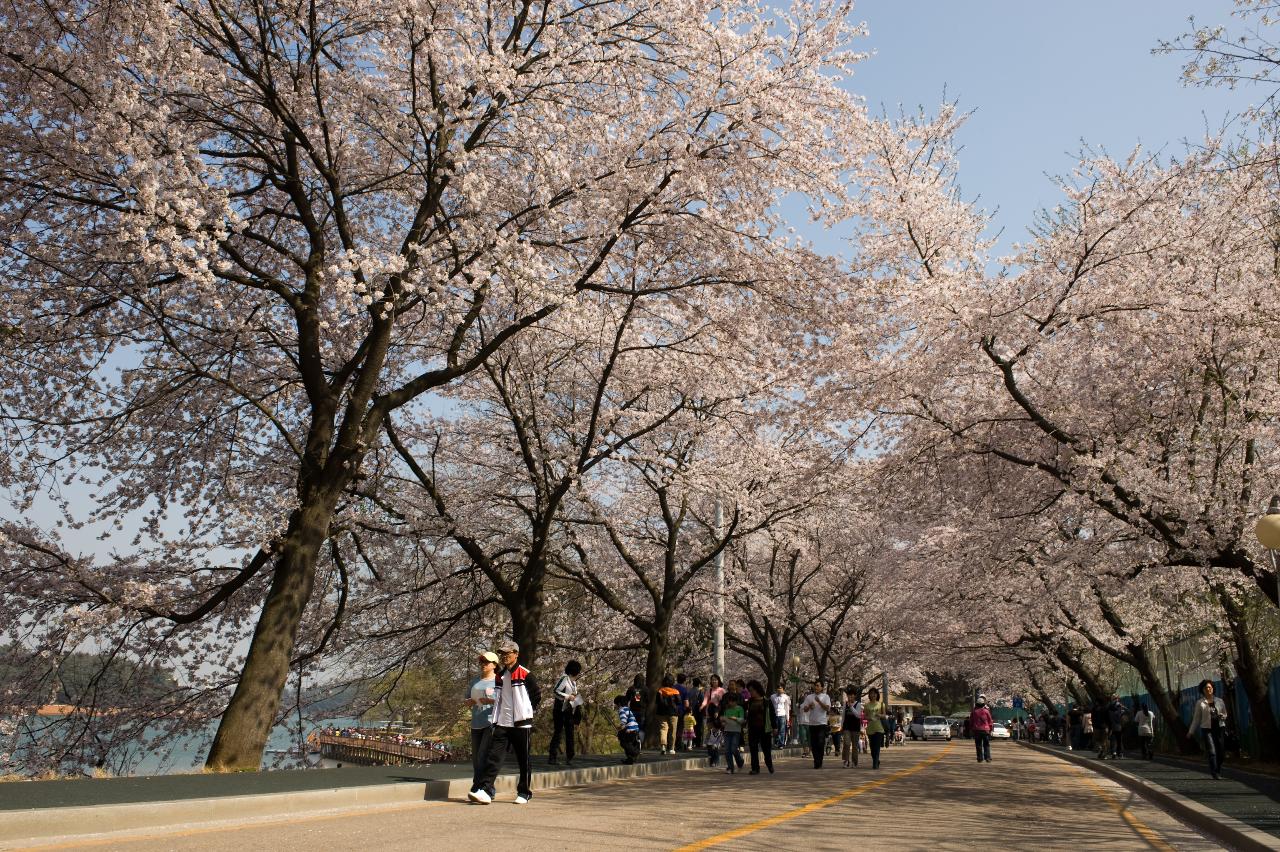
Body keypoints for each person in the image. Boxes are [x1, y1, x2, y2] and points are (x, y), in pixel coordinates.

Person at [469, 639, 541, 805]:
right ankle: (486, 791)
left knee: (524, 759)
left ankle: (524, 792)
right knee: (493, 757)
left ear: (516, 654)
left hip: (521, 724)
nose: (504, 656)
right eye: (502, 654)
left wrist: (527, 712)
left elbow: (536, 695)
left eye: (508, 653)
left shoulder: (525, 674)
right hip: (502, 722)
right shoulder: (500, 676)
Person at [464, 650, 498, 796]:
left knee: (483, 755)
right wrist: (469, 702)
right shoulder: (475, 681)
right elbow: (466, 699)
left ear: (494, 665)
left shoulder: (499, 681)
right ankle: (478, 785)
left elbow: (505, 701)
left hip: (490, 722)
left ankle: (485, 788)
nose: (483, 664)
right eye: (481, 662)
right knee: (476, 757)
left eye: (486, 662)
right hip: (476, 722)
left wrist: (491, 701)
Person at [1187, 679, 1228, 779]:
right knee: (1212, 751)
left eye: (1210, 687)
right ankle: (1214, 772)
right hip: (1207, 730)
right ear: (1203, 690)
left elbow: (1225, 714)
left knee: (1221, 752)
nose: (1208, 689)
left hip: (1219, 728)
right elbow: (1196, 719)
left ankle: (1217, 769)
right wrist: (1190, 732)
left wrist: (1222, 716)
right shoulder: (1200, 703)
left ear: (1213, 689)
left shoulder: (1219, 701)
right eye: (1206, 688)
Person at [548, 659, 582, 766]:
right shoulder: (564, 679)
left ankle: (570, 757)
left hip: (569, 711)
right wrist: (568, 696)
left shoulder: (574, 683)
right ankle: (552, 757)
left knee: (570, 733)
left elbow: (575, 698)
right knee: (558, 732)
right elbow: (555, 691)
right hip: (559, 709)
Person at [745, 680, 775, 774]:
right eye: (749, 691)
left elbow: (772, 715)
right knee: (753, 748)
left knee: (766, 749)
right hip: (753, 728)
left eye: (751, 690)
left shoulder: (766, 701)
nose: (750, 693)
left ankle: (769, 764)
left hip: (764, 729)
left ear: (757, 690)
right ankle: (755, 768)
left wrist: (775, 727)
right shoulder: (750, 701)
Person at [800, 679, 832, 768]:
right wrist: (810, 706)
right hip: (812, 723)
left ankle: (820, 760)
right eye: (815, 685)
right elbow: (805, 709)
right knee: (814, 744)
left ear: (822, 687)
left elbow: (827, 708)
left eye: (818, 686)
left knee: (820, 742)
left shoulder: (826, 697)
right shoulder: (809, 697)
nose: (816, 687)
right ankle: (816, 761)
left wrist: (819, 701)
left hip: (822, 723)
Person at [657, 674, 684, 755]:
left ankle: (663, 746)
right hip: (673, 712)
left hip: (662, 712)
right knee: (673, 730)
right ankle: (672, 748)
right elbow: (679, 702)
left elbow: (657, 702)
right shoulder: (675, 691)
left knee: (663, 729)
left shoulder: (660, 691)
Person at [721, 693, 746, 773]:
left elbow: (742, 720)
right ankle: (730, 767)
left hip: (736, 731)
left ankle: (739, 761)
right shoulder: (727, 710)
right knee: (727, 750)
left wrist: (735, 718)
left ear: (735, 702)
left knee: (733, 749)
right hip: (727, 731)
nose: (730, 703)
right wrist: (723, 721)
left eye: (732, 702)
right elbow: (724, 720)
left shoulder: (739, 709)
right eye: (729, 702)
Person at [614, 694, 642, 764]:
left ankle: (635, 752)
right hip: (635, 728)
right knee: (630, 743)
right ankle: (630, 759)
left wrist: (620, 726)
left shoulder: (621, 709)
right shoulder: (627, 708)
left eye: (616, 704)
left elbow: (624, 720)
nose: (616, 706)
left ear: (619, 703)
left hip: (630, 730)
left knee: (624, 743)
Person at [969, 695, 994, 763]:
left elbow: (971, 721)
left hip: (977, 730)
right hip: (986, 730)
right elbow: (990, 721)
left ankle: (980, 758)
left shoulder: (974, 712)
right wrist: (990, 729)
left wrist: (971, 729)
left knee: (978, 745)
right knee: (986, 744)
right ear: (983, 704)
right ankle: (987, 758)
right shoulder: (986, 711)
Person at [841, 688, 862, 767]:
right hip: (846, 727)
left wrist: (851, 707)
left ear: (854, 696)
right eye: (848, 696)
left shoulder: (858, 704)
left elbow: (858, 715)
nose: (850, 698)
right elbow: (843, 716)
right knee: (846, 744)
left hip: (855, 728)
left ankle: (854, 761)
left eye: (851, 696)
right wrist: (841, 726)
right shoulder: (845, 704)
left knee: (855, 745)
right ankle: (846, 761)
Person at [626, 675, 648, 744]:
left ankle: (633, 742)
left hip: (632, 711)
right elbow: (648, 700)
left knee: (632, 727)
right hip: (642, 711)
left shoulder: (631, 689)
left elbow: (627, 699)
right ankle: (640, 743)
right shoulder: (645, 689)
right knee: (641, 728)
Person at [674, 673, 692, 751]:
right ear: (684, 680)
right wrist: (688, 709)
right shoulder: (684, 689)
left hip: (673, 710)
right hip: (681, 710)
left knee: (673, 727)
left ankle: (671, 743)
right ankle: (678, 744)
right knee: (680, 728)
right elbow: (686, 702)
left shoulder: (673, 687)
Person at [1107, 694, 1126, 759]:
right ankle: (1120, 753)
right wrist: (1122, 711)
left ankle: (1114, 752)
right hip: (1119, 725)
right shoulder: (1119, 707)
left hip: (1112, 725)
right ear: (1117, 699)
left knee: (1113, 740)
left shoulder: (1109, 707)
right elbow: (1127, 712)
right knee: (1119, 740)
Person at [691, 677, 707, 748]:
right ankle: (698, 743)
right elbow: (703, 702)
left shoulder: (689, 691)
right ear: (699, 684)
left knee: (692, 727)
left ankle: (692, 742)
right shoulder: (700, 692)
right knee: (699, 727)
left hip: (691, 712)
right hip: (699, 712)